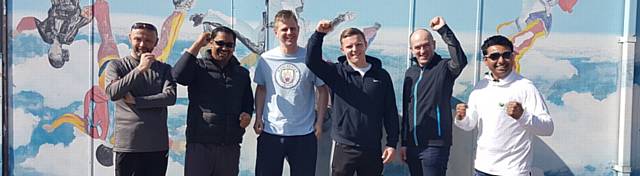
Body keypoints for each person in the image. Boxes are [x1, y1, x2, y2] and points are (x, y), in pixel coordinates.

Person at [306, 20, 399, 176]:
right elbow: (311, 61)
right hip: (344, 147)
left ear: (365, 45)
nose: (354, 50)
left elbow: (390, 111)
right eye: (349, 46)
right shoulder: (336, 73)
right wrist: (319, 34)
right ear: (342, 49)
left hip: (372, 147)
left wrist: (391, 143)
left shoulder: (382, 76)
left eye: (358, 44)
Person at [454, 35, 554, 176]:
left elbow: (547, 128)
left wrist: (522, 116)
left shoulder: (525, 87)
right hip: (482, 169)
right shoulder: (481, 87)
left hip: (514, 171)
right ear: (486, 61)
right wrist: (461, 117)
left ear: (513, 57)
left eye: (506, 55)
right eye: (494, 56)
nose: (501, 61)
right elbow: (469, 124)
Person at [253, 9, 329, 176]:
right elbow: (261, 88)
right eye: (284, 29)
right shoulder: (266, 59)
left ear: (298, 30)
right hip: (272, 132)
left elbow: (322, 90)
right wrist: (258, 116)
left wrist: (319, 122)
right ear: (275, 32)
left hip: (304, 134)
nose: (289, 33)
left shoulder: (310, 58)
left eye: (293, 29)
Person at [172, 26, 254, 176]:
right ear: (210, 43)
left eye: (229, 45)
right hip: (200, 145)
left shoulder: (242, 73)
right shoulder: (198, 66)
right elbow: (178, 75)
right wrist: (197, 44)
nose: (224, 48)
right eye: (220, 43)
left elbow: (247, 102)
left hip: (230, 146)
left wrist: (247, 115)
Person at [105, 22, 177, 176]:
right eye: (138, 39)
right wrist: (140, 69)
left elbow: (170, 97)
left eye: (148, 41)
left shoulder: (165, 69)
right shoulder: (116, 66)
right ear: (130, 38)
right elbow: (113, 93)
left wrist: (138, 101)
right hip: (127, 146)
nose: (142, 44)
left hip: (156, 147)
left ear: (156, 43)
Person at [399, 16, 467, 176]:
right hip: (412, 146)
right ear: (411, 50)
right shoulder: (411, 73)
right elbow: (407, 108)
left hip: (435, 146)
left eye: (426, 46)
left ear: (434, 45)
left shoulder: (444, 68)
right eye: (417, 47)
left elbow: (460, 61)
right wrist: (404, 143)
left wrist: (444, 30)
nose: (422, 51)